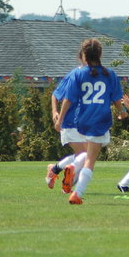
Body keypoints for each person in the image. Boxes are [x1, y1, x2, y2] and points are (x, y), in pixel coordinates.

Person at [55, 38, 127, 204]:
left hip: (83, 120)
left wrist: (60, 119)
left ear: (84, 55)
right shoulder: (109, 74)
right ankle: (77, 193)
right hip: (100, 119)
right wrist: (122, 112)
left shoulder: (78, 74)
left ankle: (73, 166)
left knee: (87, 153)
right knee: (91, 159)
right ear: (100, 55)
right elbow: (116, 98)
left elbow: (68, 99)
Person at [45, 49, 88, 194]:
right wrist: (54, 112)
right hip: (70, 122)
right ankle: (66, 184)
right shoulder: (74, 75)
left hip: (85, 123)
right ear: (80, 58)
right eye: (86, 56)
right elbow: (56, 94)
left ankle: (56, 169)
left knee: (84, 156)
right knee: (84, 155)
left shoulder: (94, 76)